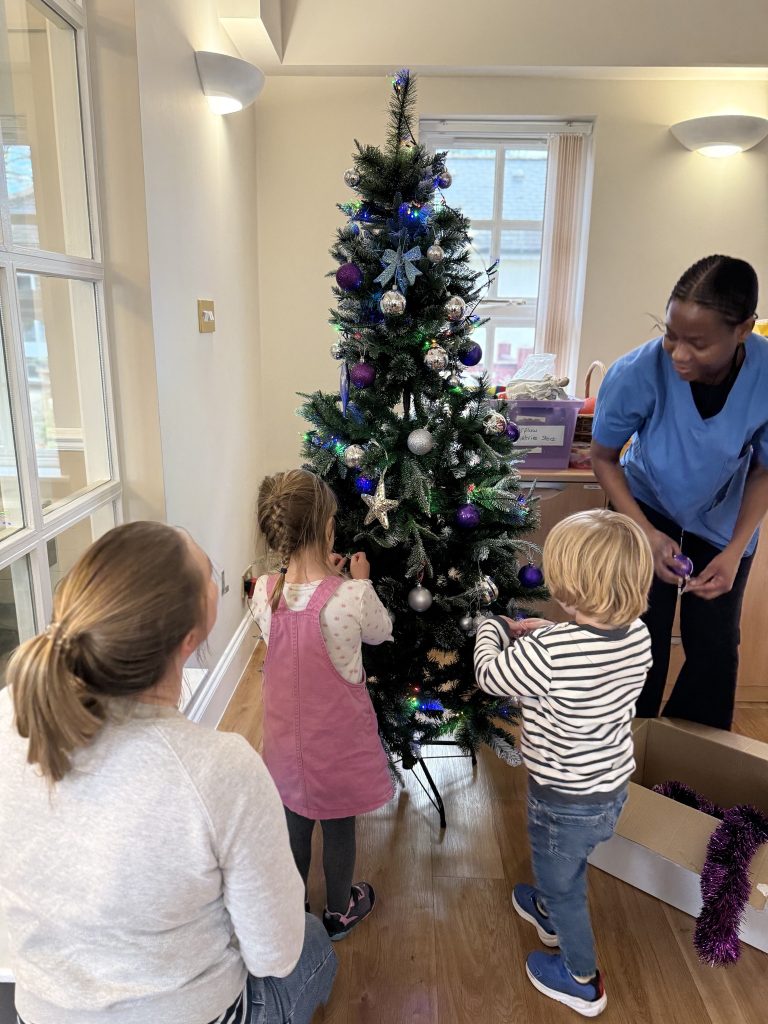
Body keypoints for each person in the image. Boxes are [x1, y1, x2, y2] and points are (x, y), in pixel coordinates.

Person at [0, 522, 336, 1024]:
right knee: (312, 943)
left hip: (38, 1010)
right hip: (194, 1013)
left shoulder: (9, 711)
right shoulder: (220, 769)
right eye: (208, 571)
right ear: (191, 636)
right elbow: (274, 955)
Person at [475, 510, 653, 1018]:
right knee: (568, 862)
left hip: (562, 798)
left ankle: (581, 978)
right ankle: (549, 912)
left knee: (564, 880)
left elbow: (492, 675)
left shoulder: (552, 652)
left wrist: (490, 628)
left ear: (572, 585)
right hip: (612, 787)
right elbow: (586, 656)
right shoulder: (637, 634)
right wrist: (548, 632)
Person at [591, 255, 768, 729]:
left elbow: (764, 471)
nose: (678, 354)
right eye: (670, 333)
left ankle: (691, 771)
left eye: (698, 342)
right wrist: (644, 532)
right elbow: (603, 459)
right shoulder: (636, 372)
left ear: (744, 329)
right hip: (644, 502)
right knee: (637, 638)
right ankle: (625, 754)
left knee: (714, 648)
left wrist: (733, 552)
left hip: (724, 517)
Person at [253, 469, 394, 941]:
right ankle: (340, 911)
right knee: (338, 827)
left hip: (285, 750)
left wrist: (327, 578)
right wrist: (356, 580)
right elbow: (381, 632)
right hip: (335, 750)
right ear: (327, 527)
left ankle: (295, 913)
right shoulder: (352, 596)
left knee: (293, 826)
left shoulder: (263, 592)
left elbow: (291, 627)